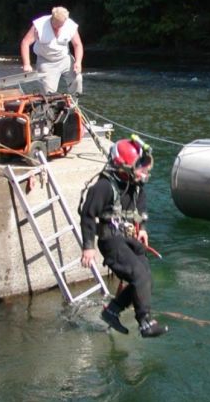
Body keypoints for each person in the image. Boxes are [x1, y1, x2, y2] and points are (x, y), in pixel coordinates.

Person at [79, 136, 168, 338]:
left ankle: (112, 311)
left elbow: (141, 206)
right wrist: (88, 246)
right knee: (139, 275)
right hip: (111, 240)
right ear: (124, 166)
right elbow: (88, 214)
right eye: (141, 166)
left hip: (129, 237)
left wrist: (142, 228)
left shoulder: (135, 183)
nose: (145, 171)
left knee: (146, 280)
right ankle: (145, 323)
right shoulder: (103, 187)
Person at [20, 6, 84, 97]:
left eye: (61, 25)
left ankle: (74, 104)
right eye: (56, 25)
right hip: (46, 61)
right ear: (52, 18)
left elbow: (78, 45)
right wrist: (26, 64)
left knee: (77, 79)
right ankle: (49, 108)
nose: (58, 28)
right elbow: (25, 43)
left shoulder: (70, 25)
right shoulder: (40, 25)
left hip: (65, 58)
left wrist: (78, 62)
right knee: (48, 94)